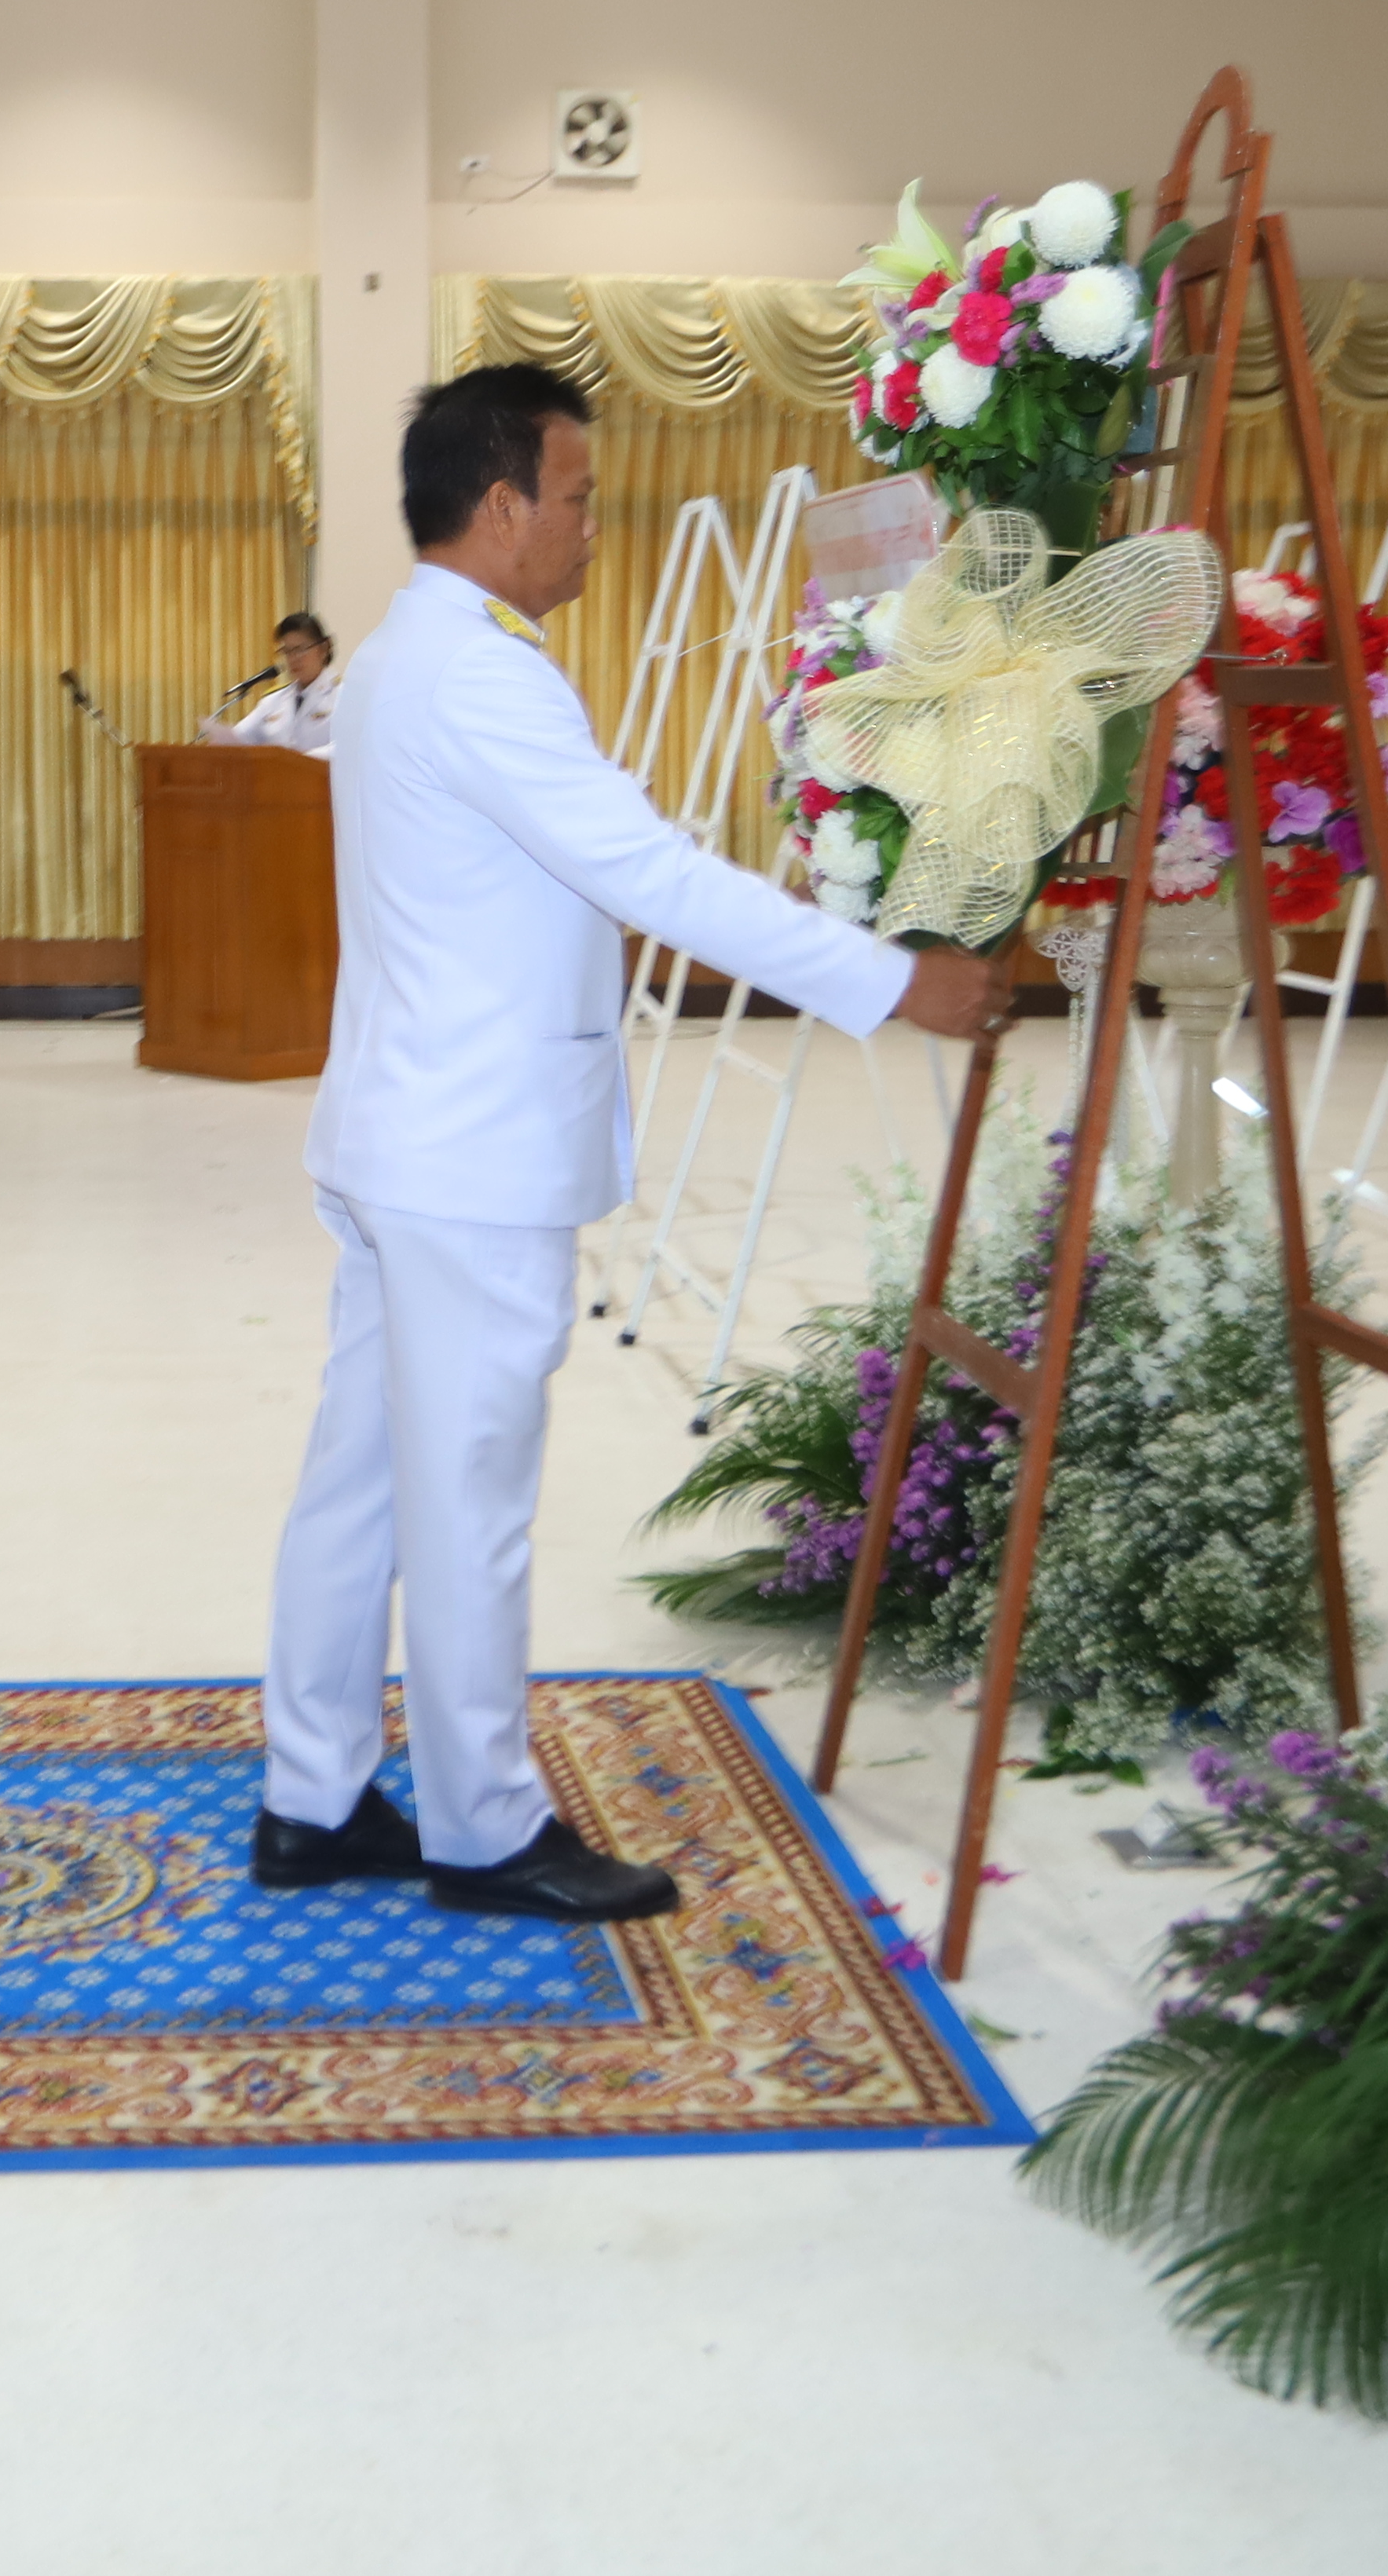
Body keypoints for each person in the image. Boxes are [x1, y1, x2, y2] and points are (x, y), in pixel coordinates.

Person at [256, 366, 997, 1923]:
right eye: (579, 497)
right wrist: (889, 982)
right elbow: (654, 877)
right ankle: (482, 1830)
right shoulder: (483, 675)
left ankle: (311, 1797)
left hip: (401, 1132)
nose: (597, 525)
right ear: (503, 505)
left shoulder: (402, 653)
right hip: (468, 1157)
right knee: (465, 1498)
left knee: (361, 1478)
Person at [213, 612, 342, 754]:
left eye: (300, 650)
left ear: (323, 649)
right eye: (286, 652)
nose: (293, 659)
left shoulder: (345, 695)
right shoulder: (273, 701)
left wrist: (299, 760)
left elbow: (348, 746)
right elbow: (237, 738)